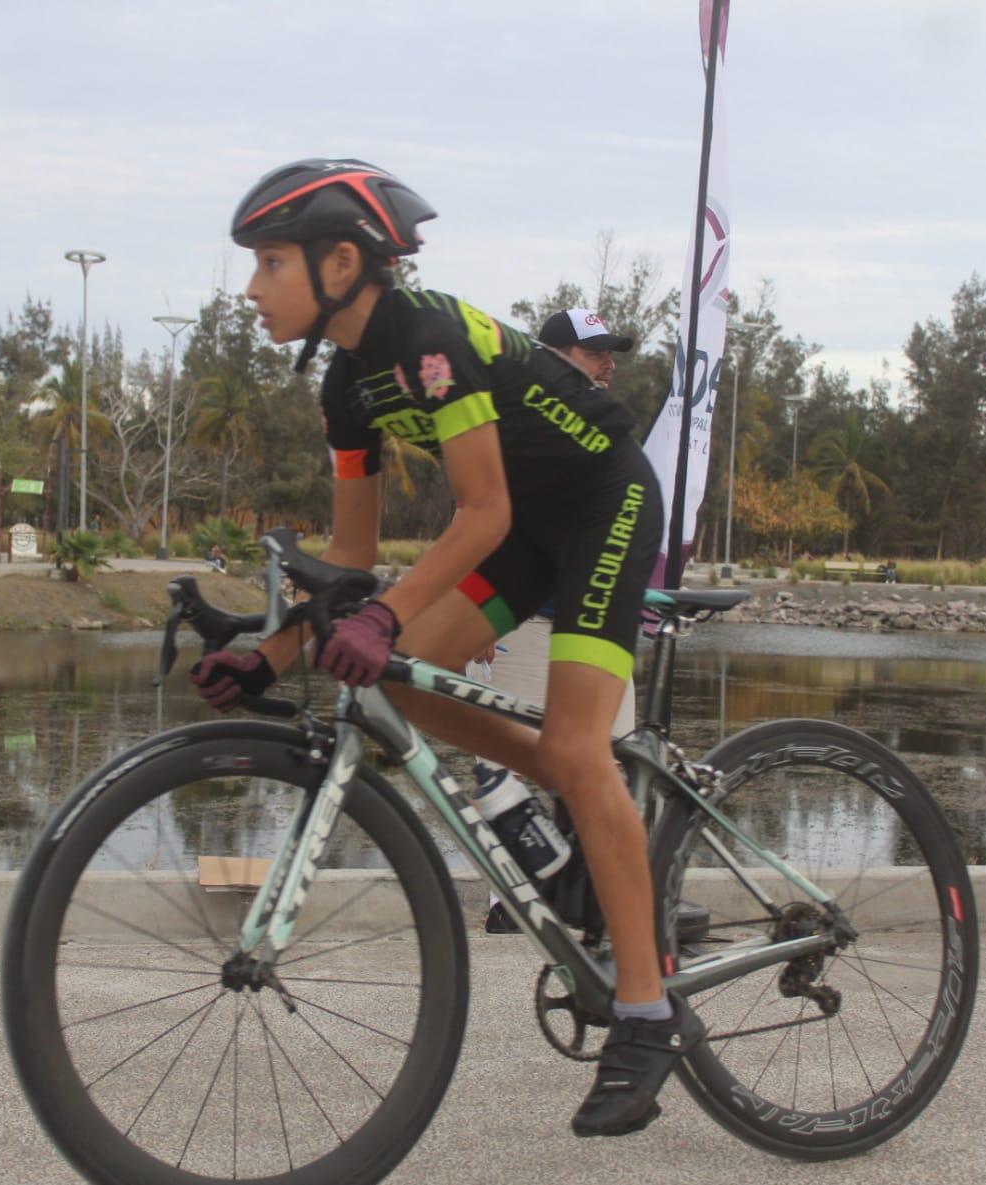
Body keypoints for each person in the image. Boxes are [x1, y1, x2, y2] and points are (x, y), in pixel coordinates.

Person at [190, 159, 702, 1138]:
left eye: (266, 262)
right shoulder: (346, 388)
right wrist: (272, 650)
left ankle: (646, 1012)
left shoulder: (430, 342)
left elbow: (483, 509)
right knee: (407, 681)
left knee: (571, 744)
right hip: (517, 534)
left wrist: (381, 616)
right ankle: (580, 839)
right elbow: (349, 564)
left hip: (600, 505)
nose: (250, 288)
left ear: (341, 260)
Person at [480, 305, 641, 936]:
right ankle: (510, 898)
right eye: (594, 351)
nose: (608, 364)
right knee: (507, 761)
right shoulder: (518, 424)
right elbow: (486, 515)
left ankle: (602, 897)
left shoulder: (610, 428)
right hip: (523, 625)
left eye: (611, 353)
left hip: (597, 628)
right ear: (553, 357)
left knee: (617, 765)